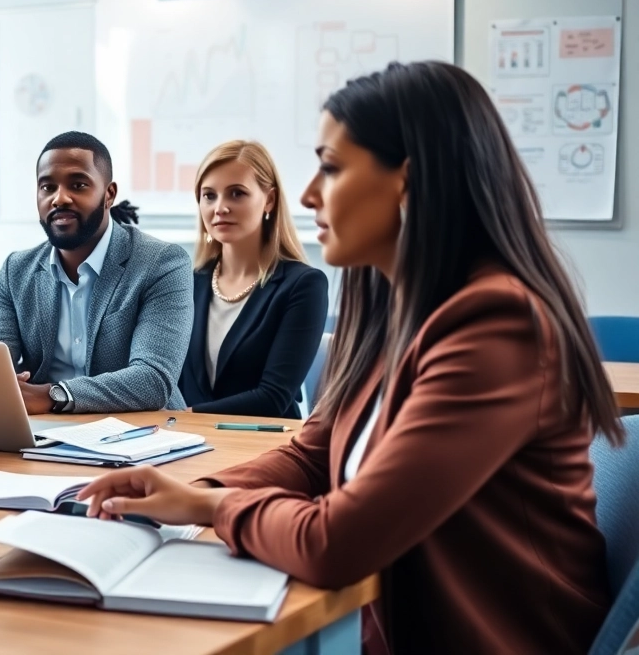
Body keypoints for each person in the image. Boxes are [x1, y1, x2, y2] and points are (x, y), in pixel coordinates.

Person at [78, 61, 621, 655]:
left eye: (331, 168)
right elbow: (313, 457)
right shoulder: (393, 307)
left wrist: (211, 504)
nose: (309, 193)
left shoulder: (498, 325)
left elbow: (337, 543)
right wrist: (187, 490)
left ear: (408, 183)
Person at [0, 131, 194, 414]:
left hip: (141, 434)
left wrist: (53, 395)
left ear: (109, 194)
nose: (59, 199)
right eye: (47, 187)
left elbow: (153, 380)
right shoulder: (16, 271)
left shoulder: (162, 264)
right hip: (44, 434)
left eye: (78, 185)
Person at [180, 140, 328, 418]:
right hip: (188, 445)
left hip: (263, 445)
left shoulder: (303, 285)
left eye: (236, 194)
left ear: (269, 200)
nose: (219, 207)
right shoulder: (189, 283)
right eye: (209, 196)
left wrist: (183, 417)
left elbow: (273, 397)